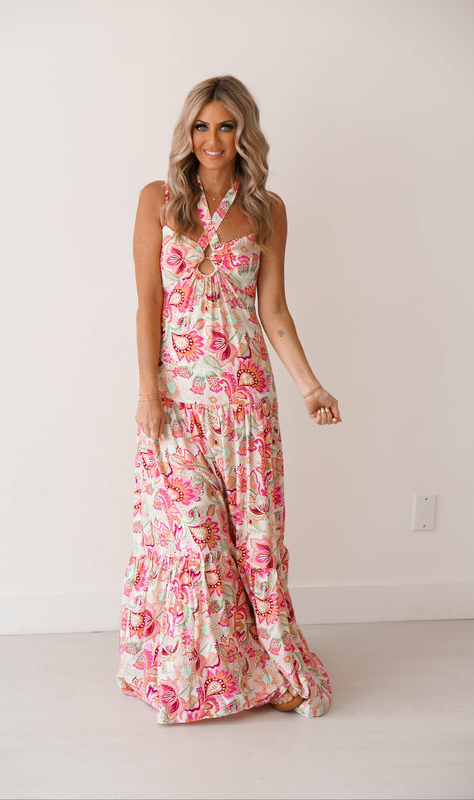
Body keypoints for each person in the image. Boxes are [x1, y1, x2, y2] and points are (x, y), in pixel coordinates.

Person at [116, 75, 341, 725]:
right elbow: (148, 305)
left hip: (246, 409)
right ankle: (190, 677)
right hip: (178, 406)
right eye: (200, 126)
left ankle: (269, 668)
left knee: (257, 546)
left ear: (244, 132)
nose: (211, 140)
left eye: (224, 126)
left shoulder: (267, 210)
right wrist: (147, 394)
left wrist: (309, 385)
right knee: (193, 544)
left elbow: (271, 310)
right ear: (186, 134)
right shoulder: (157, 201)